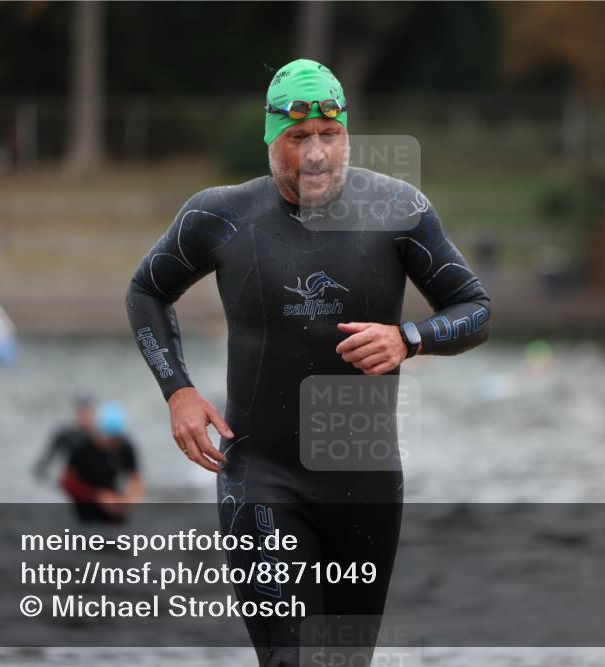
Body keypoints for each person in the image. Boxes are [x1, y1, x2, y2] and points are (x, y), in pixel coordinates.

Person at [126, 59, 489, 665]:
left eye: (330, 135)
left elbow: (474, 308)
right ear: (272, 139)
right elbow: (146, 291)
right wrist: (178, 390)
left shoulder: (400, 210)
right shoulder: (220, 217)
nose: (316, 154)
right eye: (298, 138)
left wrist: (411, 338)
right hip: (261, 478)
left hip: (365, 486)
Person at [60, 401, 144, 524]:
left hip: (113, 502)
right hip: (86, 504)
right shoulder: (81, 447)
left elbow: (136, 480)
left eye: (116, 440)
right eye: (110, 440)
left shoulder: (125, 446)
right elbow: (66, 482)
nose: (113, 445)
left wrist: (128, 500)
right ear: (98, 432)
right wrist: (97, 496)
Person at [33, 393, 96, 479]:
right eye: (81, 411)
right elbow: (43, 464)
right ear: (76, 412)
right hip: (68, 482)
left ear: (93, 412)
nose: (84, 415)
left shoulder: (101, 438)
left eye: (87, 411)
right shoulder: (64, 435)